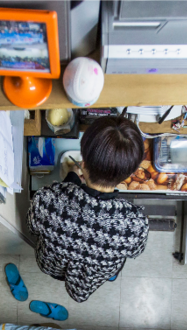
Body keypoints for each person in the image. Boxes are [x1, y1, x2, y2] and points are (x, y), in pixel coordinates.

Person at [26, 116, 150, 303]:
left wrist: (71, 182)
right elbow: (136, 251)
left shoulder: (46, 199)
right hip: (94, 274)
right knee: (111, 267)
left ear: (83, 164)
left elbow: (32, 228)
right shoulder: (135, 224)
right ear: (129, 175)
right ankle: (109, 274)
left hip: (53, 265)